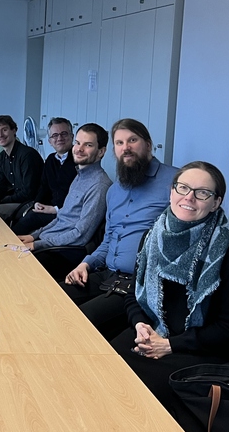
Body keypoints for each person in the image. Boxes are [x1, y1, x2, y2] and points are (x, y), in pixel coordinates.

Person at [110, 162, 229, 427]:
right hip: (154, 333)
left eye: (202, 193)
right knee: (103, 361)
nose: (189, 198)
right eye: (183, 188)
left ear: (216, 203)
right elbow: (133, 293)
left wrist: (171, 345)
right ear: (171, 192)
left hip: (203, 348)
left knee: (133, 393)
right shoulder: (152, 236)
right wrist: (140, 324)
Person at [63, 119, 178, 339]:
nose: (126, 148)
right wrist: (85, 264)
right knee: (52, 297)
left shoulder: (174, 182)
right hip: (107, 274)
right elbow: (108, 241)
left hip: (140, 284)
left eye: (132, 140)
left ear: (148, 144)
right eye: (119, 143)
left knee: (76, 321)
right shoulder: (114, 190)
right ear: (113, 150)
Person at [18, 123, 112, 280]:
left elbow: (80, 235)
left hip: (64, 252)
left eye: (88, 145)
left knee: (15, 267)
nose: (79, 149)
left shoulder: (99, 185)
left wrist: (37, 244)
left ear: (101, 151)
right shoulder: (79, 176)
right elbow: (61, 218)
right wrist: (34, 236)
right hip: (50, 243)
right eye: (78, 143)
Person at [10, 117, 77, 234]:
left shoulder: (79, 161)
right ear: (50, 141)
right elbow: (44, 187)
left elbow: (77, 196)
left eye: (64, 134)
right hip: (49, 208)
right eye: (55, 135)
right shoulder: (51, 160)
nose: (59, 138)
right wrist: (38, 202)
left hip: (67, 215)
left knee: (27, 221)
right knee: (19, 217)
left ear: (72, 136)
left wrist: (55, 209)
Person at [0, 115, 44, 222]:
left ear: (14, 130)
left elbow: (28, 192)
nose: (0, 135)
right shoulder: (2, 156)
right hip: (17, 200)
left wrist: (0, 202)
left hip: (31, 203)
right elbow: (1, 184)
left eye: (4, 130)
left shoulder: (28, 155)